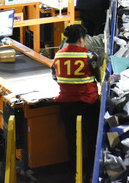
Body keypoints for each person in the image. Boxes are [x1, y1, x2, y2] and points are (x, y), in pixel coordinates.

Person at [52, 24, 101, 181]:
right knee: (92, 139)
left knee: (72, 141)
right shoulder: (89, 56)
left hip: (66, 106)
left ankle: (75, 174)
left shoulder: (58, 55)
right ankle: (92, 174)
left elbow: (54, 76)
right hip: (88, 104)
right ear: (81, 39)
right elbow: (99, 77)